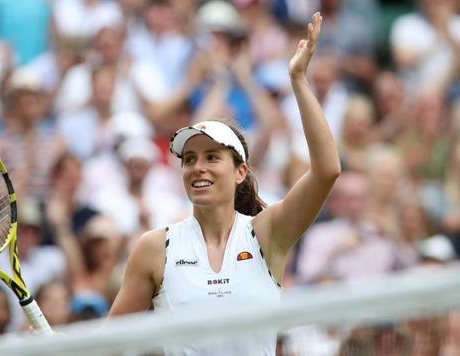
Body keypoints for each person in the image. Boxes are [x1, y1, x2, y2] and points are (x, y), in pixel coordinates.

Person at [108, 13, 341, 355]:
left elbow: (327, 171)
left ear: (240, 172)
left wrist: (298, 80)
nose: (197, 167)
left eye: (212, 157)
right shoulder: (153, 248)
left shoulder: (268, 232)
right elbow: (107, 346)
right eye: (189, 159)